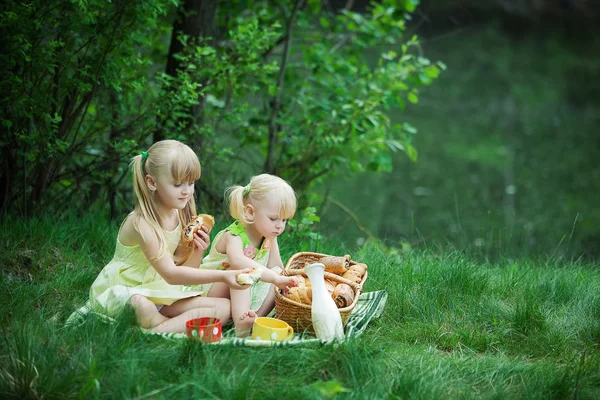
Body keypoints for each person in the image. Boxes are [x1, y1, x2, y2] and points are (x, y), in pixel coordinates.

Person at [67, 140, 250, 333]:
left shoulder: (179, 213)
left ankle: (157, 328)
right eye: (178, 184)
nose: (187, 191)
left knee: (223, 307)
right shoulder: (141, 222)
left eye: (191, 182)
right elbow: (171, 275)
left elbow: (184, 276)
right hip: (126, 291)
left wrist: (198, 250)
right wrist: (224, 276)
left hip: (158, 291)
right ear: (152, 182)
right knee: (140, 305)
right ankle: (165, 326)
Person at [199, 174, 300, 336]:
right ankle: (241, 325)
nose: (280, 226)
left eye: (284, 220)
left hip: (244, 289)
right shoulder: (234, 235)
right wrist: (274, 279)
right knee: (241, 272)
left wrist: (285, 280)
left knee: (277, 274)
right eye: (274, 218)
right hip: (214, 287)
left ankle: (256, 319)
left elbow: (276, 265)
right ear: (251, 212)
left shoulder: (269, 235)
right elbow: (237, 260)